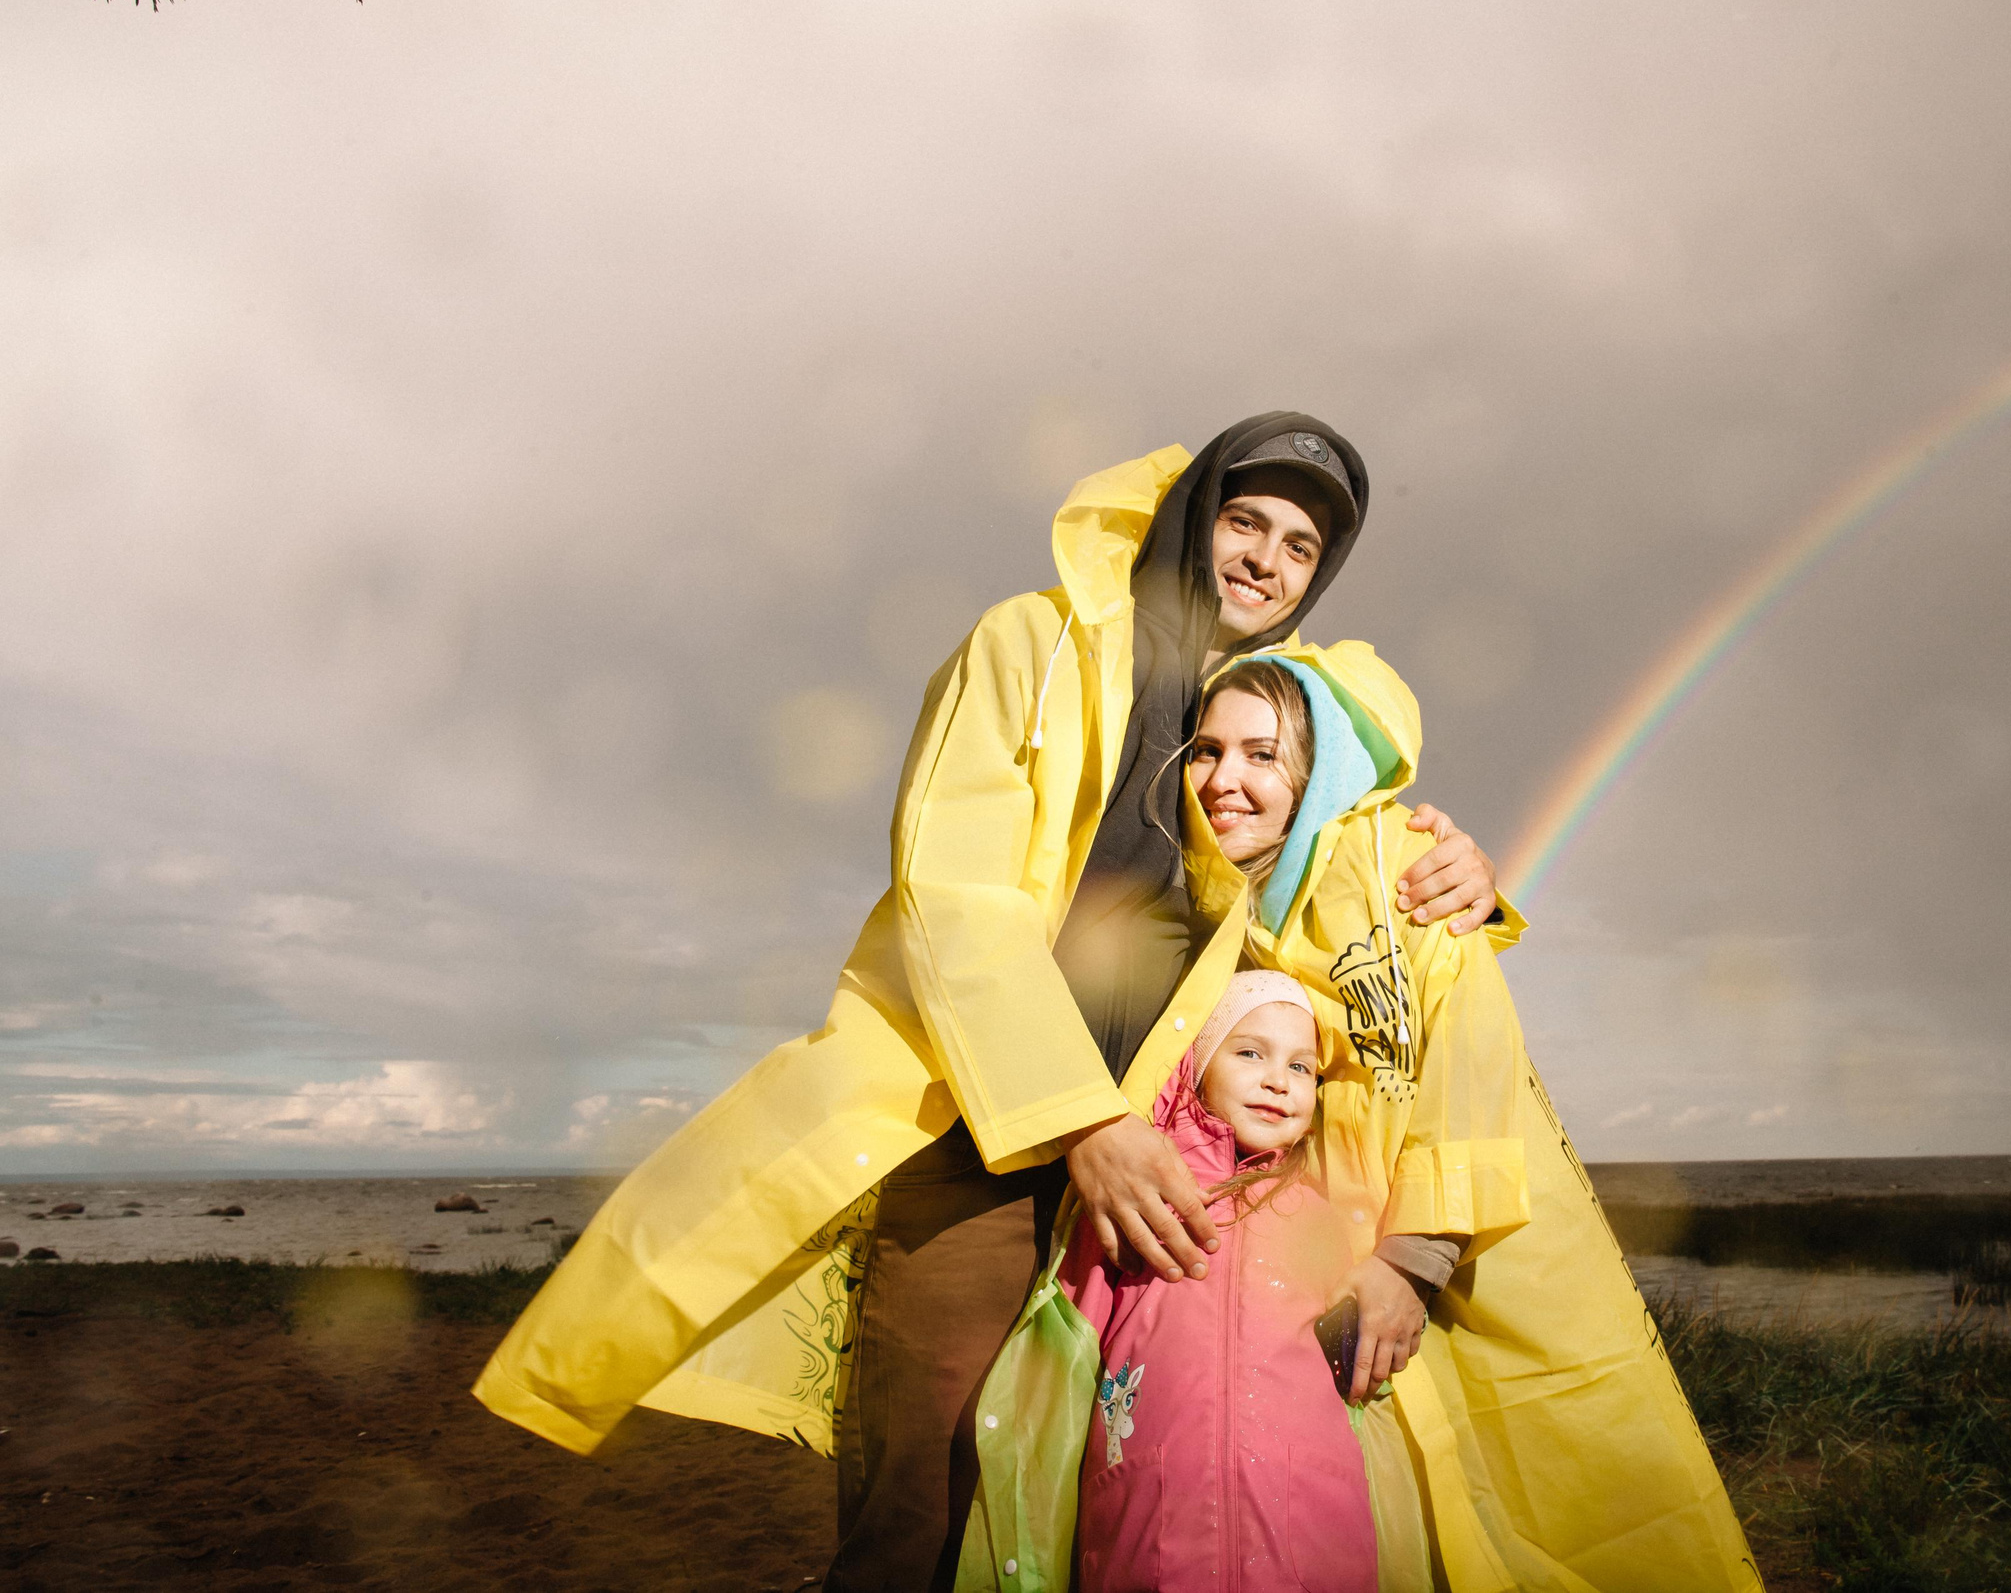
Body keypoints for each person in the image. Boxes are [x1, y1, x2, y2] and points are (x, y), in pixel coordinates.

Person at [469, 417, 1512, 1592]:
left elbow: (1337, 896)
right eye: (1244, 520)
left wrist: (1459, 870)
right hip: (992, 1132)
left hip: (1170, 1162)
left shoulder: (1261, 720)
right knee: (932, 1477)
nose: (1268, 558)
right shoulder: (1033, 644)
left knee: (1096, 1482)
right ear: (1188, 514)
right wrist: (1080, 1122)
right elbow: (952, 894)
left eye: (1302, 547)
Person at [961, 646, 1764, 1593]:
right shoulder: (1206, 903)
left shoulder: (1402, 872)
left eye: (1264, 754)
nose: (1225, 780)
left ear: (1318, 768)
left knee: (1544, 1498)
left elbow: (1466, 1059)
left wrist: (1414, 1258)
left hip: (1446, 1256)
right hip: (1316, 1286)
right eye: (1208, 752)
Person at [1064, 971, 1376, 1593]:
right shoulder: (1142, 1193)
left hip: (1312, 1523)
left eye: (1303, 1067)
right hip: (1150, 1517)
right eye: (1250, 1053)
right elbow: (1067, 1350)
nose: (1277, 1080)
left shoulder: (1326, 1212)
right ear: (1197, 1066)